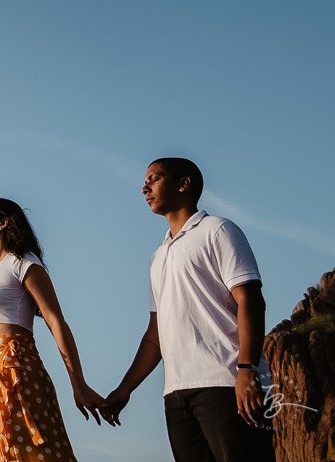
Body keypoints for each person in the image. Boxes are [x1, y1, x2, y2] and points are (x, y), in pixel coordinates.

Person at [102, 158, 273, 462]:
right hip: (176, 395)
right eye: (146, 181)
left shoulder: (218, 230)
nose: (144, 188)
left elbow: (251, 300)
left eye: (154, 179)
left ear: (183, 184)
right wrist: (125, 389)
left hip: (225, 383)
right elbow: (155, 335)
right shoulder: (157, 257)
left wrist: (245, 370)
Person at [0, 197, 107, 462]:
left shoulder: (23, 262)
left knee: (39, 453)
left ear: (4, 222)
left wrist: (78, 384)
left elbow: (55, 320)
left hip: (21, 373)